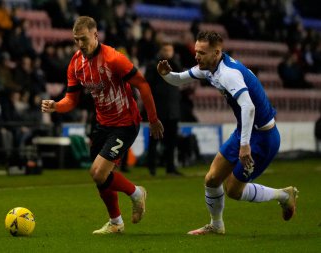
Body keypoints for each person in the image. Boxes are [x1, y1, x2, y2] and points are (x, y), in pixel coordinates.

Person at [157, 31, 298, 235]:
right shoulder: (208, 68)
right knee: (212, 179)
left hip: (263, 139)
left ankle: (285, 196)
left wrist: (245, 145)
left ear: (217, 52)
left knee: (233, 190)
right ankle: (216, 225)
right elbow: (178, 80)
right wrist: (165, 74)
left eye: (202, 53)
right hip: (245, 130)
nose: (197, 56)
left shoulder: (228, 73)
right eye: (196, 51)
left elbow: (248, 107)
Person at [41, 16, 164, 234]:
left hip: (125, 122)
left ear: (95, 35)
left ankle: (137, 193)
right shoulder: (76, 64)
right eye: (76, 39)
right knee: (101, 176)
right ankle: (116, 223)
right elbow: (71, 100)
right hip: (102, 124)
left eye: (84, 39)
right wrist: (56, 106)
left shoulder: (114, 59)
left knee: (98, 173)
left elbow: (143, 85)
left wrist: (152, 119)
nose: (80, 44)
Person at [144, 42, 182, 176]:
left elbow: (180, 78)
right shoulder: (152, 65)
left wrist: (174, 62)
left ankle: (171, 167)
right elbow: (147, 84)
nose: (168, 53)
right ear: (160, 51)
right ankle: (151, 167)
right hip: (158, 108)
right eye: (165, 50)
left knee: (172, 141)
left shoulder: (175, 65)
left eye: (170, 50)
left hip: (173, 108)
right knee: (154, 140)